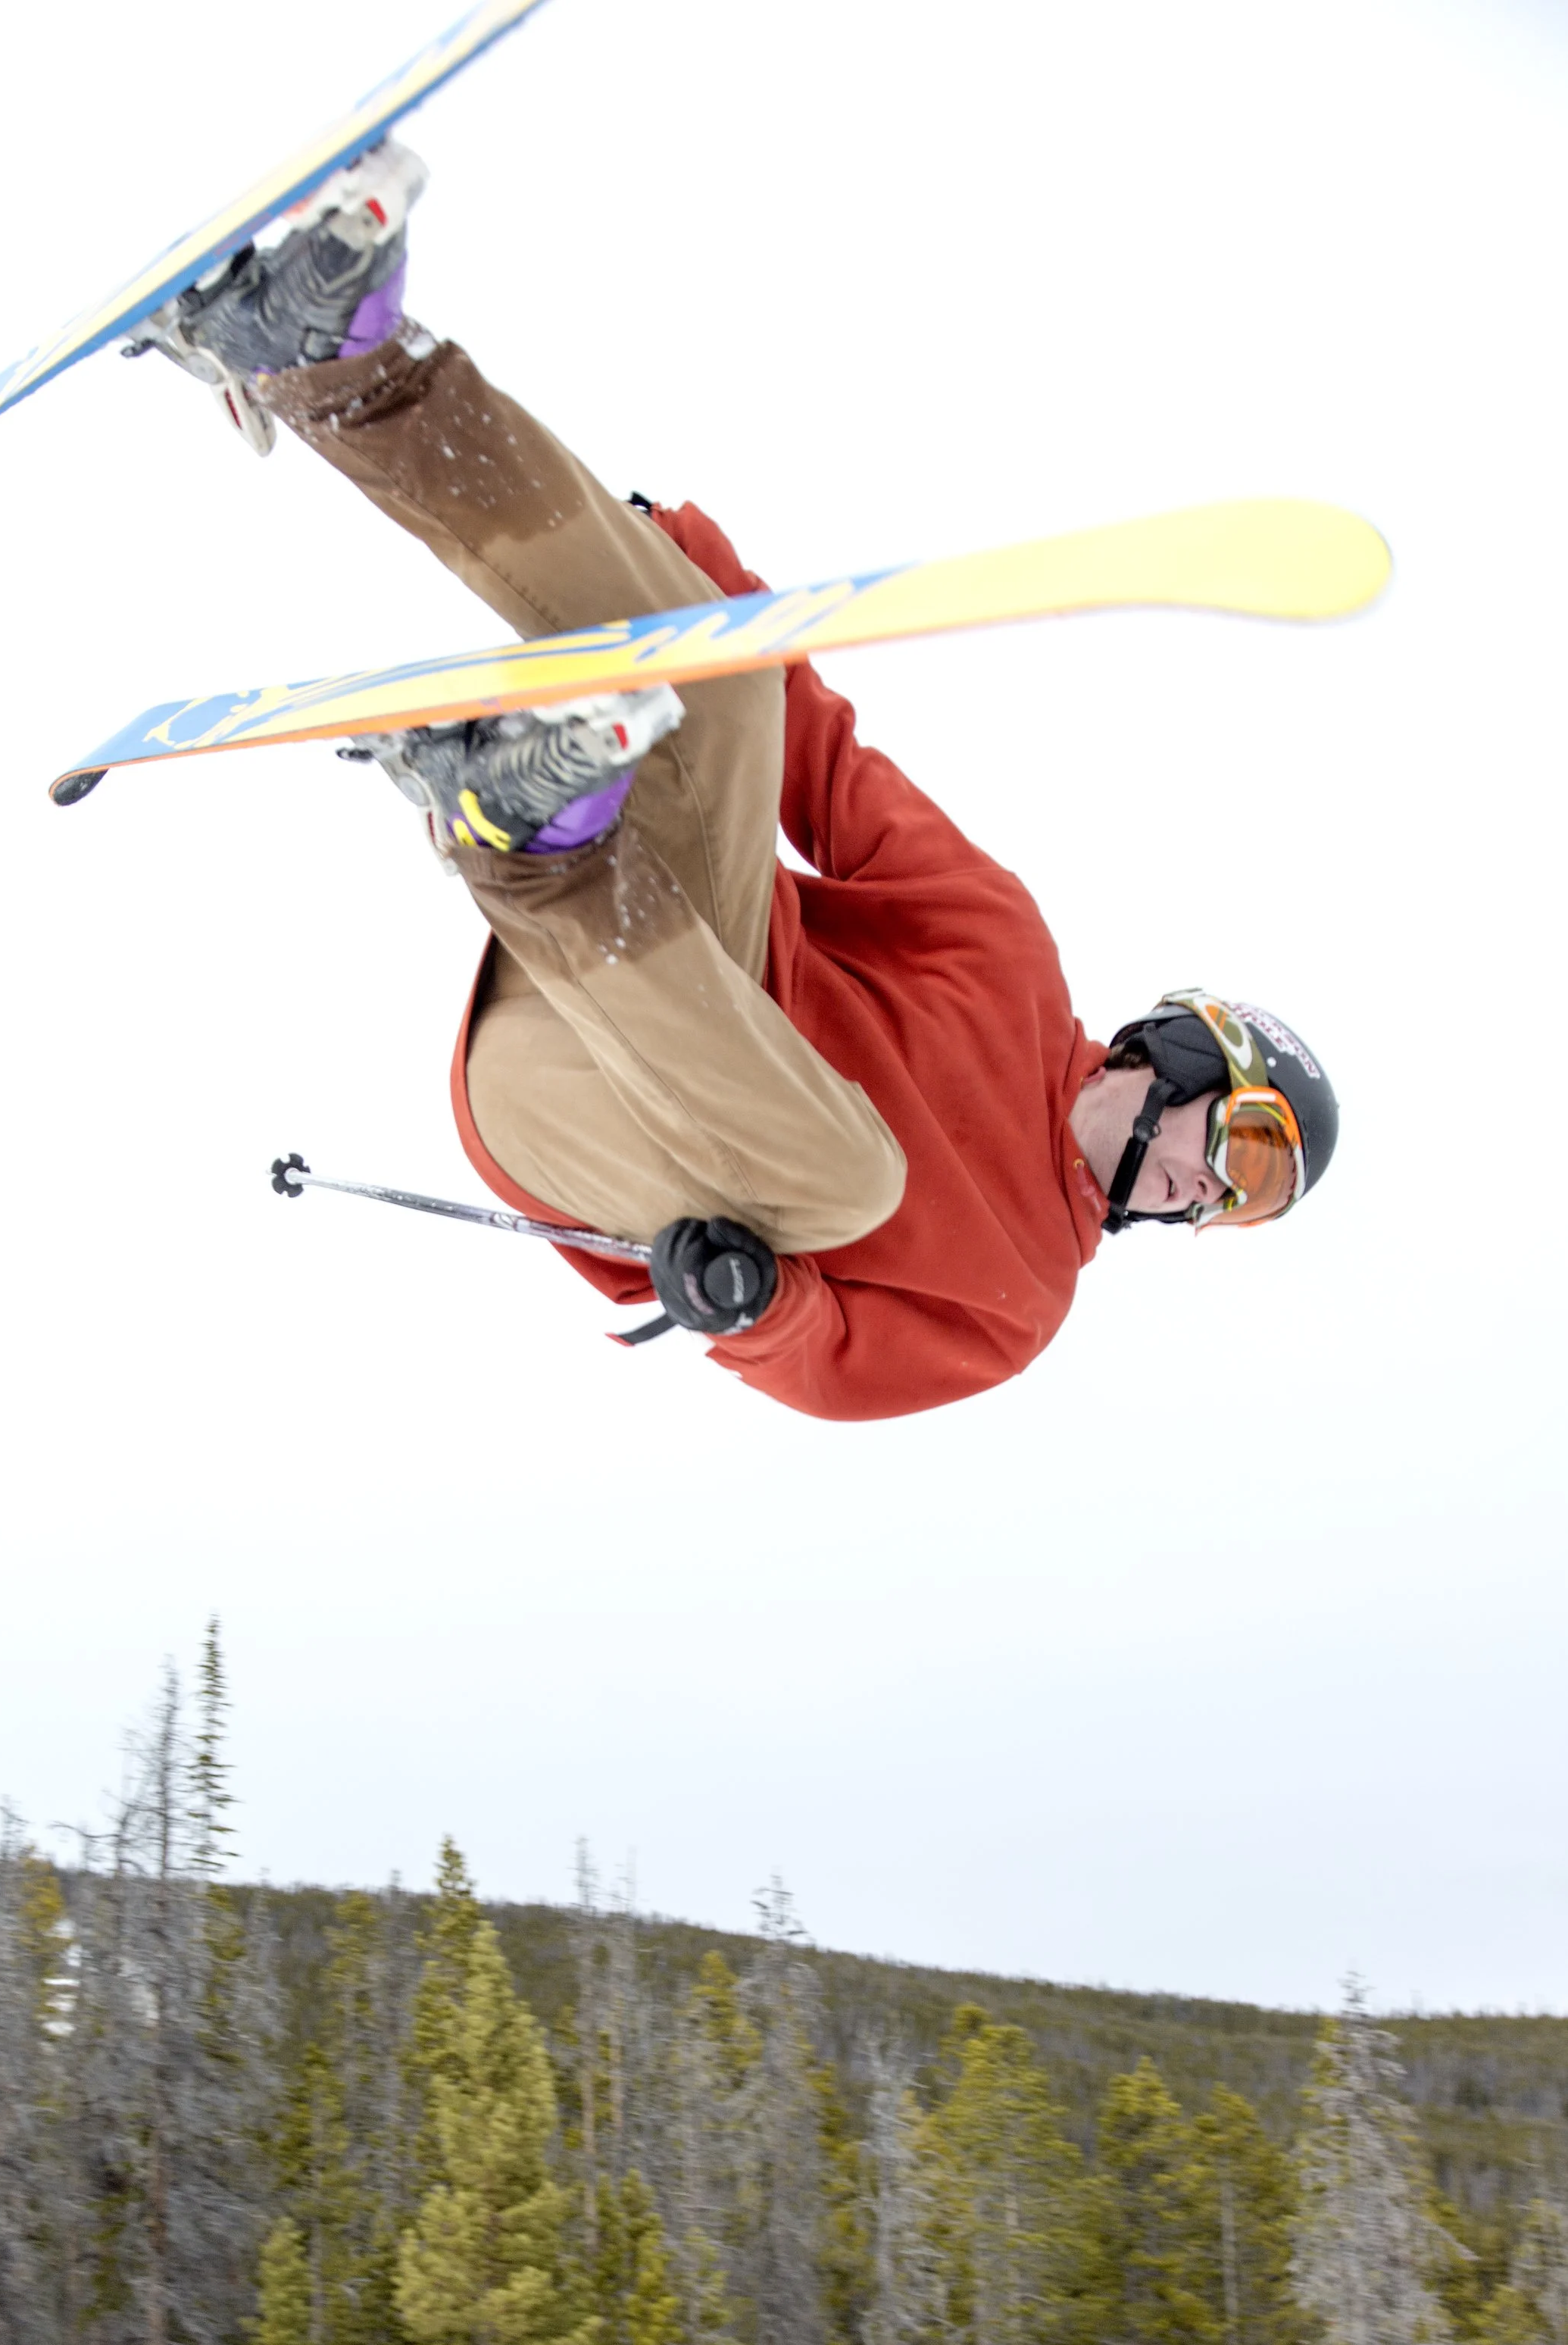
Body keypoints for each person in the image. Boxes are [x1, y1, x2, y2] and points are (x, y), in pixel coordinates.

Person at [136, 140, 1339, 1424]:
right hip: (647, 951)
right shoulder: (1005, 951)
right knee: (733, 682)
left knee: (854, 1184)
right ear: (1182, 1056)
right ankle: (328, 365)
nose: (1214, 1195)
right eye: (1246, 1149)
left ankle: (526, 837)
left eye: (1248, 1202)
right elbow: (819, 758)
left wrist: (752, 1307)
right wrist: (689, 577)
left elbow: (830, 1367)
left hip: (585, 1115)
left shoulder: (1020, 1303)